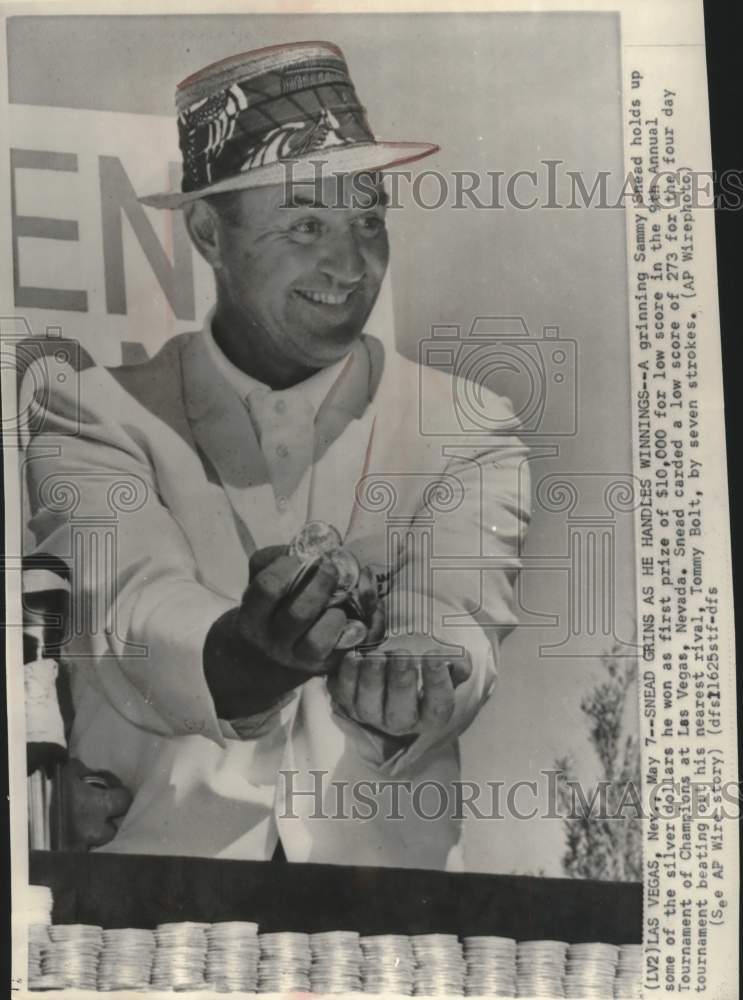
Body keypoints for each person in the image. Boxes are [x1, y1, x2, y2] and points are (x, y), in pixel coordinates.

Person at [21, 41, 530, 870]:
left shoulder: (466, 422)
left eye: (368, 219)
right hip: (154, 906)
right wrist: (245, 656)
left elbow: (458, 614)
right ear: (206, 233)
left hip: (386, 922)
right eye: (304, 225)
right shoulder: (88, 408)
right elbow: (133, 619)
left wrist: (413, 675)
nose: (349, 262)